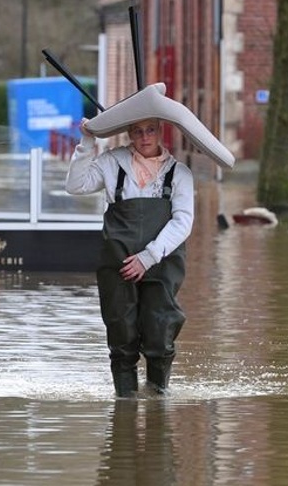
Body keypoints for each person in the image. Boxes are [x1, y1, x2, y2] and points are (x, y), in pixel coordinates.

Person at [66, 117, 194, 398]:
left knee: (160, 333)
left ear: (160, 131)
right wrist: (87, 141)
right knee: (121, 335)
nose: (144, 137)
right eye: (137, 131)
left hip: (162, 262)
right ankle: (124, 404)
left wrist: (148, 257)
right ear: (129, 133)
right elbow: (75, 185)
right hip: (118, 262)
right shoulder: (112, 163)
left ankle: (157, 400)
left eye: (150, 130)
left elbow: (182, 222)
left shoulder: (180, 174)